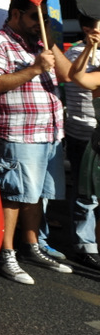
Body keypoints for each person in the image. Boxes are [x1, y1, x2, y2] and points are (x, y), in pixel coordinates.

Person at [0, 0, 72, 284]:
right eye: (34, 17)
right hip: (15, 134)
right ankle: (5, 253)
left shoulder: (41, 43)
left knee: (35, 195)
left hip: (48, 133)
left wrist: (51, 46)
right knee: (14, 195)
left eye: (43, 18)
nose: (39, 24)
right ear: (15, 14)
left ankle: (32, 245)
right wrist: (33, 69)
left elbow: (68, 76)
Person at [67, 17, 100, 269]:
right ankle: (85, 245)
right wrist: (90, 48)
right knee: (87, 196)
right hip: (87, 136)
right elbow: (76, 77)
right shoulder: (78, 51)